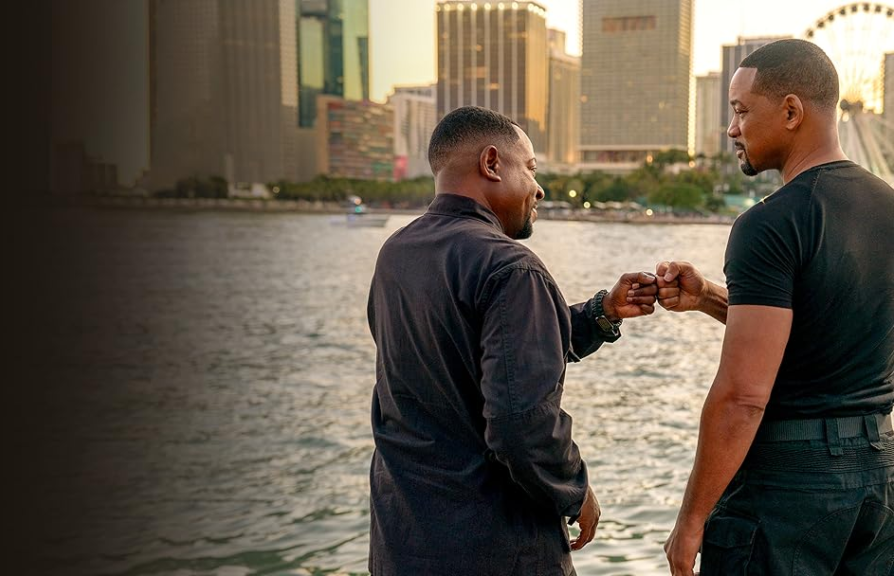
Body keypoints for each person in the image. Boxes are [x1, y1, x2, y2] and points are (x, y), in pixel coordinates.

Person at [366, 105, 660, 575]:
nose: (539, 188)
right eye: (530, 168)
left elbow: (477, 355)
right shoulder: (511, 268)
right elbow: (521, 425)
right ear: (491, 163)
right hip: (495, 548)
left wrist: (601, 313)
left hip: (402, 543)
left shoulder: (397, 253)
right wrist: (575, 489)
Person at [658, 39, 894, 576]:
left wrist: (691, 519)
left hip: (791, 487)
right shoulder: (888, 208)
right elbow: (825, 325)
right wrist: (709, 297)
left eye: (741, 111)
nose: (731, 129)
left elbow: (742, 396)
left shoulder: (770, 223)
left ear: (791, 111)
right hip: (879, 477)